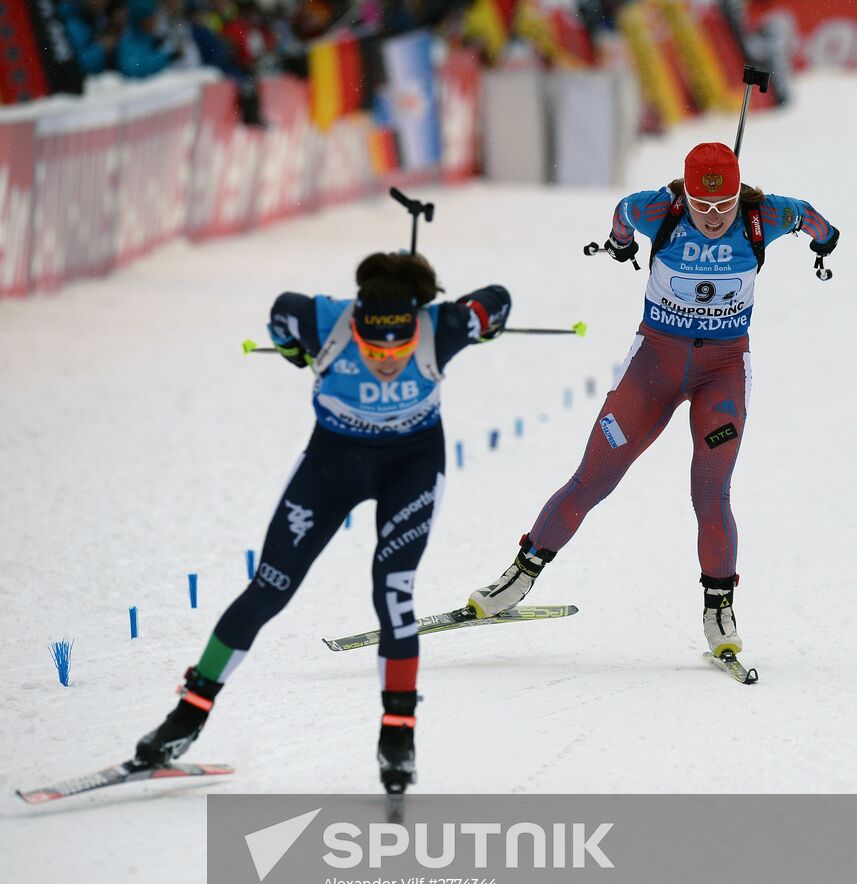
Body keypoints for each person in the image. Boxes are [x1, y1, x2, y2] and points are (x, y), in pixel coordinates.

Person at [135, 252, 511, 793]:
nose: (385, 360)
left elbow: (497, 296)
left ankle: (397, 736)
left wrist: (484, 321)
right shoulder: (325, 321)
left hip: (411, 467)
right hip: (332, 466)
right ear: (354, 324)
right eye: (372, 347)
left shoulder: (441, 326)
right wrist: (292, 349)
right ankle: (185, 719)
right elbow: (282, 311)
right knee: (268, 588)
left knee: (395, 593)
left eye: (398, 349)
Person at [468, 141, 838, 660]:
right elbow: (621, 216)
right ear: (685, 194)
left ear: (740, 196)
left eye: (724, 205)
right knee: (592, 477)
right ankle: (520, 575)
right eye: (702, 206)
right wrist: (621, 245)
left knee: (710, 492)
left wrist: (825, 242)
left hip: (723, 373)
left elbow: (815, 221)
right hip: (654, 368)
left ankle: (719, 608)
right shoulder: (656, 209)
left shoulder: (765, 215)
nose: (713, 218)